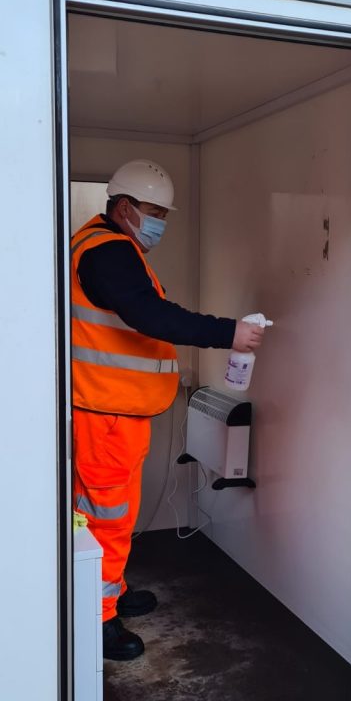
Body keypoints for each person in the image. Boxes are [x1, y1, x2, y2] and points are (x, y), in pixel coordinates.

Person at [71, 159, 266, 661]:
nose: (159, 222)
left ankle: (109, 591)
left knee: (106, 512)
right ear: (121, 208)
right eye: (152, 212)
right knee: (106, 517)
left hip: (111, 410)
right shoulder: (109, 251)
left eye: (163, 213)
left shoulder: (98, 242)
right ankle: (98, 618)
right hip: (106, 413)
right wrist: (230, 334)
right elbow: (150, 316)